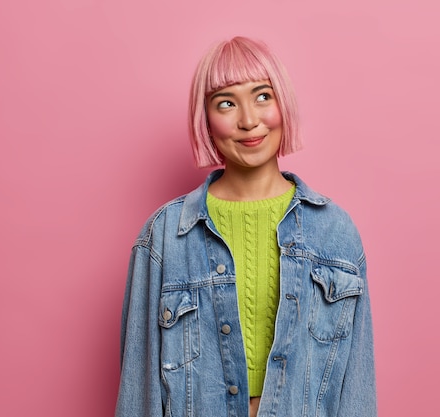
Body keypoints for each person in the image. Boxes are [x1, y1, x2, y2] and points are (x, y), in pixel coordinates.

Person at [115, 36, 376, 417]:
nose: (249, 120)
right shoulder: (165, 236)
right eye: (226, 103)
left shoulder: (335, 233)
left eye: (262, 96)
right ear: (205, 118)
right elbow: (138, 394)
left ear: (282, 104)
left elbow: (357, 391)